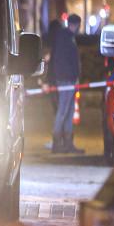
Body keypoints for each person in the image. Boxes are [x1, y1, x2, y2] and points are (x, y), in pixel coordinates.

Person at [50, 13, 83, 154]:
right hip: (66, 80)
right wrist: (72, 76)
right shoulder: (66, 38)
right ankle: (57, 144)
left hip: (68, 80)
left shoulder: (66, 37)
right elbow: (64, 60)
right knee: (63, 111)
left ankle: (67, 144)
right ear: (74, 25)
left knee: (68, 112)